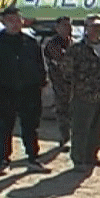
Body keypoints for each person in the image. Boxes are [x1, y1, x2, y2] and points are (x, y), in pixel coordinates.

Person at [0, 7, 50, 175]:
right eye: (10, 20)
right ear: (3, 22)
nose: (14, 24)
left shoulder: (31, 42)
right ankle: (3, 160)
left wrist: (41, 82)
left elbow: (40, 65)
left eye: (17, 20)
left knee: (31, 127)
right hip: (3, 92)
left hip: (29, 92)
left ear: (22, 21)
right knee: (4, 128)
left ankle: (33, 158)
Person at [63, 13, 100, 172]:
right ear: (86, 28)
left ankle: (92, 155)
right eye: (93, 27)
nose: (97, 30)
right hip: (83, 96)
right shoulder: (76, 49)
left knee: (98, 129)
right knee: (81, 130)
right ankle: (78, 159)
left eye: (99, 27)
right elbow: (66, 73)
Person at [43, 16, 73, 150]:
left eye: (69, 25)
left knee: (74, 112)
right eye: (64, 25)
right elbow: (62, 60)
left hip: (74, 84)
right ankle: (65, 138)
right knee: (63, 111)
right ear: (57, 28)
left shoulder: (72, 43)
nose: (68, 28)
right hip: (60, 83)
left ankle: (73, 138)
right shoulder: (53, 44)